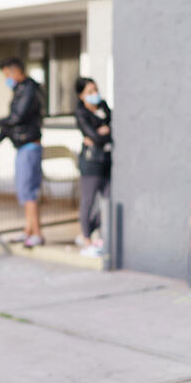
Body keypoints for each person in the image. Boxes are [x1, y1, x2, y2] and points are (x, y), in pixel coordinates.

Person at [0, 57, 45, 248]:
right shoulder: (20, 90)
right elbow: (10, 126)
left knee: (29, 191)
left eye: (7, 75)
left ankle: (37, 233)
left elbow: (16, 118)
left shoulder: (28, 89)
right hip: (23, 147)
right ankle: (28, 230)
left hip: (29, 146)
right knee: (24, 191)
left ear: (17, 72)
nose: (7, 80)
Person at [74, 77, 112, 257]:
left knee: (108, 199)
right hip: (90, 162)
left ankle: (96, 230)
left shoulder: (103, 106)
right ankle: (86, 236)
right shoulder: (81, 112)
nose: (94, 94)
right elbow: (94, 137)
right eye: (89, 92)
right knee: (88, 201)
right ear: (81, 95)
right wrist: (102, 133)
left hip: (107, 160)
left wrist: (103, 133)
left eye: (95, 90)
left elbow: (113, 128)